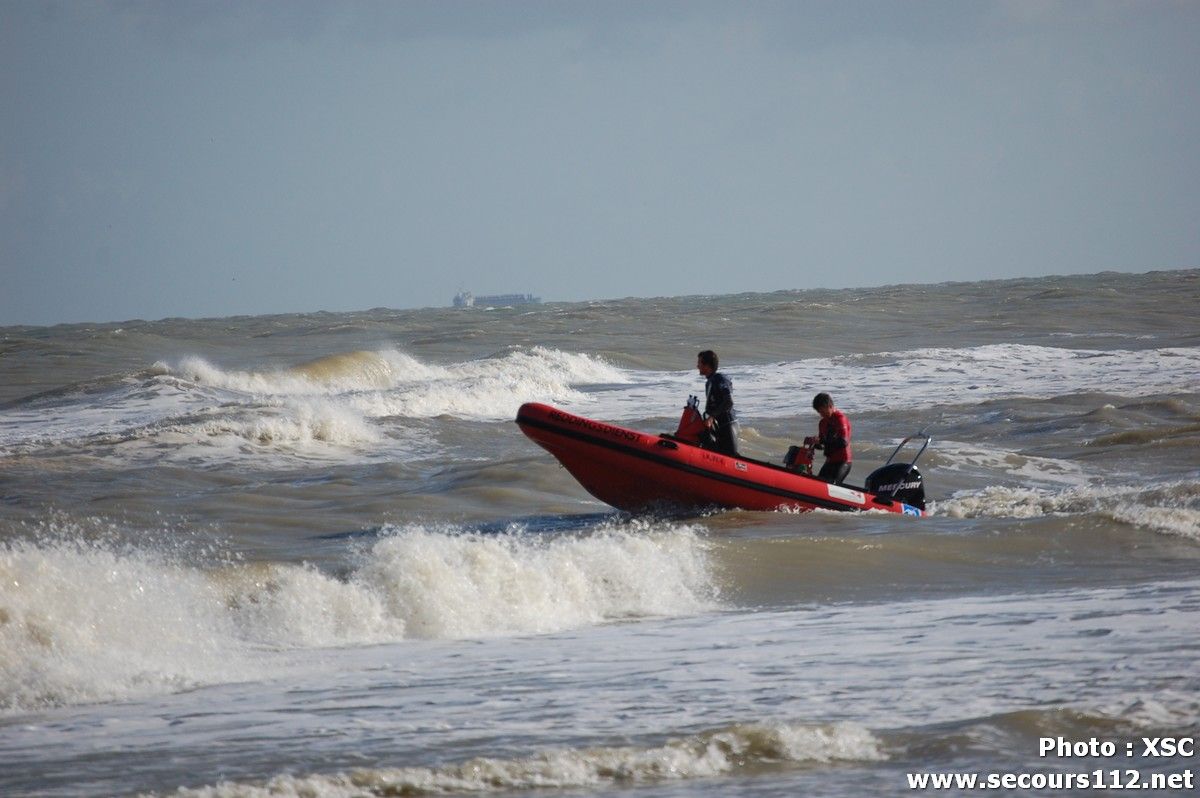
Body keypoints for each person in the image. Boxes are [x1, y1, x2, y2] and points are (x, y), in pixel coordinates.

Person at [696, 350, 739, 456]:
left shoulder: (720, 379)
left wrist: (711, 417)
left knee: (731, 456)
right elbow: (712, 407)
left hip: (728, 425)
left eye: (699, 363)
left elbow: (729, 402)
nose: (697, 366)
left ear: (707, 365)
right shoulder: (709, 382)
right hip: (719, 427)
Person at [805, 392, 851, 484]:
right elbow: (822, 445)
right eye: (819, 412)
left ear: (830, 406)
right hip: (830, 461)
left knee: (832, 486)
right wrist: (815, 442)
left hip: (843, 462)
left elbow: (843, 442)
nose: (821, 414)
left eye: (822, 411)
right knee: (817, 485)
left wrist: (823, 442)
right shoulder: (822, 423)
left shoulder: (840, 419)